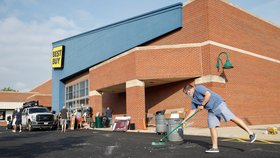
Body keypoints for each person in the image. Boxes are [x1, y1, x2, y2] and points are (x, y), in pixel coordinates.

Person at [183, 84, 256, 153]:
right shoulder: (194, 100)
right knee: (212, 126)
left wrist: (202, 104)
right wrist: (185, 120)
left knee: (232, 118)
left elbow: (208, 94)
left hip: (218, 104)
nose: (187, 94)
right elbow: (193, 110)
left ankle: (251, 133)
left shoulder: (198, 88)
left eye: (186, 93)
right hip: (211, 110)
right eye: (186, 94)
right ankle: (215, 148)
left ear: (189, 90)